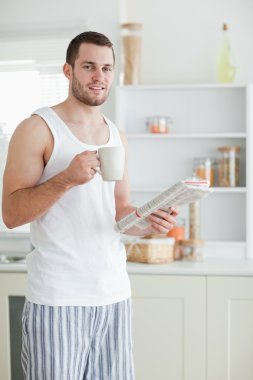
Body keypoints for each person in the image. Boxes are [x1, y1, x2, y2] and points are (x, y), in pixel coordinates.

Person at [2, 31, 178, 380]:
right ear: (68, 71)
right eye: (89, 66)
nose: (99, 77)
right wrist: (67, 178)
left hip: (114, 295)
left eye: (107, 68)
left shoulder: (117, 135)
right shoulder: (37, 129)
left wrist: (147, 223)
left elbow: (119, 210)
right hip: (57, 299)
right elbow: (10, 213)